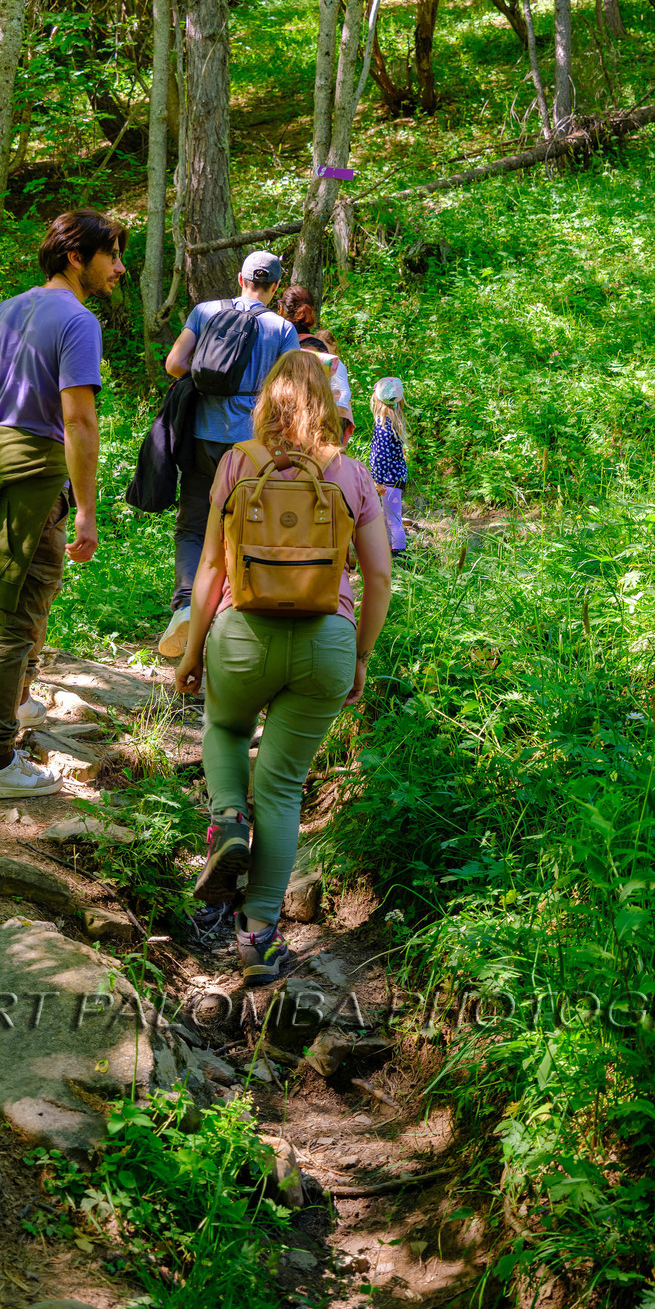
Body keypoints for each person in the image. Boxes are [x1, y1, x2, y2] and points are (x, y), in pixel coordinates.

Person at [174, 353, 392, 986]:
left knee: (225, 729)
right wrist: (358, 656)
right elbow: (378, 575)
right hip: (326, 641)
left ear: (266, 400)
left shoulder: (237, 464)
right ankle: (258, 936)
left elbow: (211, 569)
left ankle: (228, 822)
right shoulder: (351, 474)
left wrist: (191, 654)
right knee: (283, 787)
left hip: (243, 634)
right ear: (328, 404)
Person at [0, 208, 126, 801]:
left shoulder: (3, 311)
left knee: (29, 598)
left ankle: (15, 702)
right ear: (76, 257)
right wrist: (87, 509)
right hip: (38, 477)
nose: (118, 268)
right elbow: (78, 419)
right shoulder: (78, 320)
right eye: (110, 255)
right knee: (17, 620)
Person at [159, 249, 300, 654]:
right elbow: (288, 392)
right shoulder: (281, 329)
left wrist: (207, 375)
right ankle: (232, 614)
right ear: (274, 287)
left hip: (201, 436)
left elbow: (173, 364)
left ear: (240, 279)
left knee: (192, 525)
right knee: (246, 525)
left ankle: (186, 606)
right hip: (250, 446)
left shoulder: (204, 312)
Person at [278, 282, 354, 445]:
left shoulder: (275, 339)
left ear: (282, 309)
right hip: (310, 419)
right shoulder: (317, 345)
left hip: (280, 416)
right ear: (311, 311)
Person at [369, 375, 409, 554]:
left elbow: (381, 456)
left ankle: (400, 555)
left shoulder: (383, 423)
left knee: (393, 519)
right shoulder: (395, 420)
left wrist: (378, 481)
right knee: (388, 518)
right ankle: (389, 551)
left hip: (388, 479)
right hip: (396, 477)